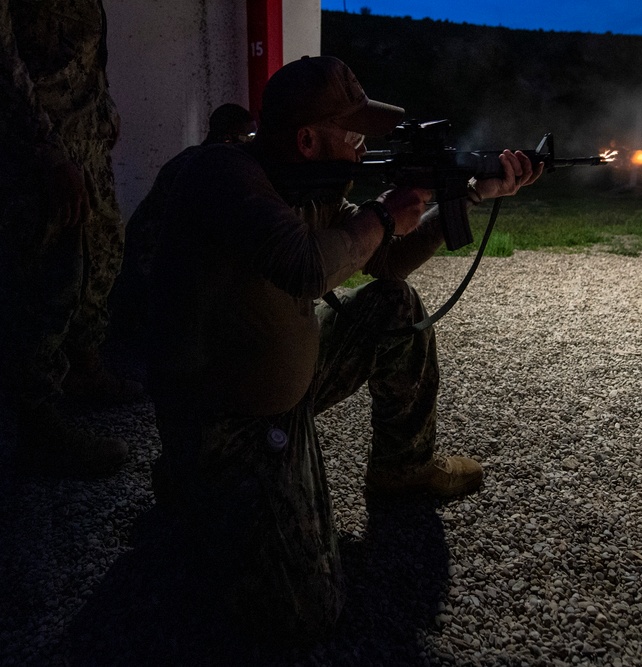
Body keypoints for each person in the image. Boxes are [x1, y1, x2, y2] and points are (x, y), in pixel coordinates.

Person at [146, 55, 541, 644]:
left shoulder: (312, 181)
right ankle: (195, 484)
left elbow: (383, 261)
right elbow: (306, 266)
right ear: (306, 139)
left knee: (395, 304)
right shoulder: (220, 177)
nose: (362, 150)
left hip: (289, 375)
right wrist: (385, 212)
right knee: (306, 614)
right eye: (353, 136)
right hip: (230, 417)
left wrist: (465, 197)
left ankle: (402, 469)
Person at [0, 0, 140, 477]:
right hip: (38, 147)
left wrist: (105, 113)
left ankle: (84, 368)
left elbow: (84, 45)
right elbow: (3, 58)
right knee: (51, 280)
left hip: (85, 136)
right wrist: (45, 148)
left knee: (102, 254)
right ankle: (37, 427)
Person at [109, 103, 257, 340]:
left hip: (156, 276)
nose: (254, 144)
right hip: (152, 282)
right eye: (249, 136)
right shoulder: (201, 167)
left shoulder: (197, 161)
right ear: (228, 139)